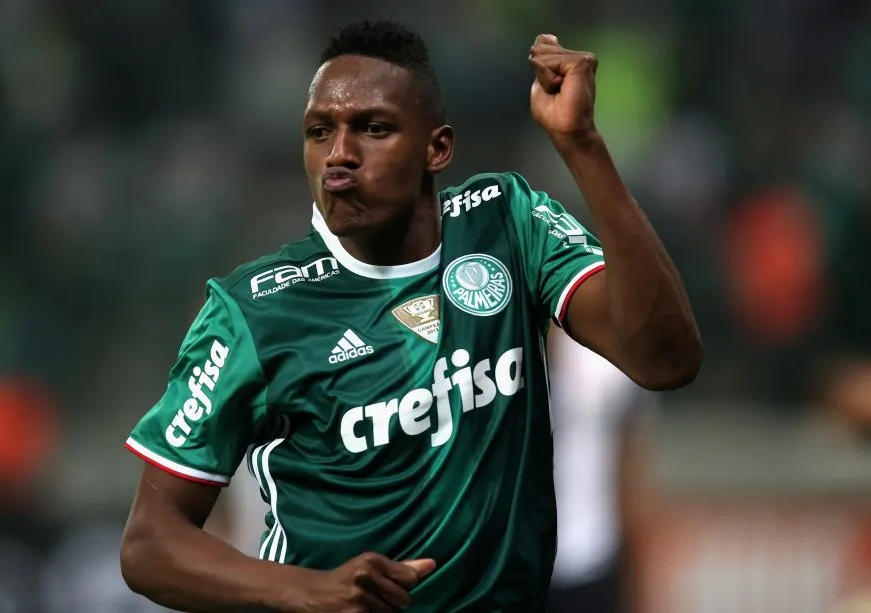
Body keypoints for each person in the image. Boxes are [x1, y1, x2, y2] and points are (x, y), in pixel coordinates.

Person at [119, 19, 702, 613]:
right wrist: (311, 591)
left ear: (437, 148)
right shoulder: (254, 311)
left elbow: (666, 359)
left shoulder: (507, 224)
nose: (339, 155)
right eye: (319, 132)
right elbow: (148, 543)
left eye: (372, 128)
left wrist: (582, 145)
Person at [546, 326, 654, 613]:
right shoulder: (491, 357)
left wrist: (637, 583)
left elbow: (629, 474)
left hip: (591, 557)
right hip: (509, 565)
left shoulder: (608, 363)